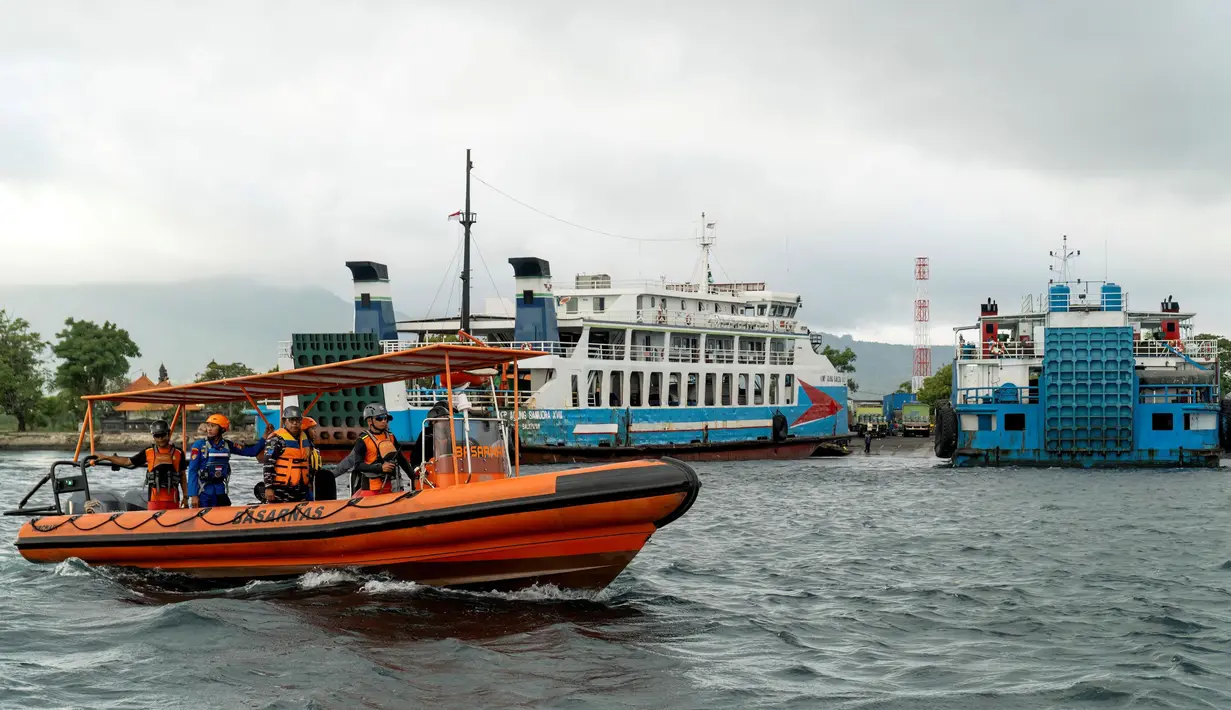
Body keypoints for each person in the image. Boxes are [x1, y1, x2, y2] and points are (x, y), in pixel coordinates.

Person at [91, 420, 187, 510]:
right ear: (153, 436)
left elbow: (182, 476)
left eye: (163, 435)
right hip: (154, 500)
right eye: (157, 436)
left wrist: (186, 497)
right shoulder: (148, 452)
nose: (160, 438)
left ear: (168, 434)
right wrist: (106, 457)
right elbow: (128, 461)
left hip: (173, 499)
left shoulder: (178, 453)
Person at [186, 413, 262, 508]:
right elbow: (192, 470)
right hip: (203, 492)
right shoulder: (199, 445)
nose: (209, 429)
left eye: (213, 426)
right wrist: (193, 495)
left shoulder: (228, 445)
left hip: (220, 491)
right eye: (208, 426)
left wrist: (264, 438)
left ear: (221, 429)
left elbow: (251, 452)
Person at [345, 403, 413, 496]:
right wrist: (381, 468)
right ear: (369, 421)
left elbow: (401, 459)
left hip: (392, 487)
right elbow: (358, 465)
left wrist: (413, 476)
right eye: (379, 418)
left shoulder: (391, 437)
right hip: (372, 489)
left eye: (386, 418)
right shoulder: (363, 440)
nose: (384, 421)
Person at [259, 405, 316, 503]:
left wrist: (309, 482)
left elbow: (307, 463)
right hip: (281, 489)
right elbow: (268, 464)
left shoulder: (304, 439)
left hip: (300, 489)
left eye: (297, 421)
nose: (294, 424)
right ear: (285, 421)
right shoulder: (276, 440)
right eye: (291, 420)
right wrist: (268, 487)